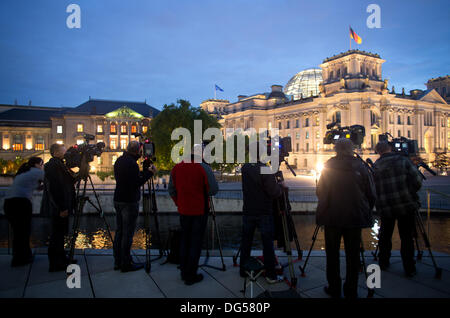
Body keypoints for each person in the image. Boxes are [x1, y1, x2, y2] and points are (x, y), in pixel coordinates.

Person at [316, 138, 376, 298]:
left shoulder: (328, 165)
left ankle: (334, 288)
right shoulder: (361, 166)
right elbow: (371, 193)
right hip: (355, 217)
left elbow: (320, 191)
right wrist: (365, 209)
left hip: (331, 217)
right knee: (353, 255)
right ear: (352, 148)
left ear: (335, 149)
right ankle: (351, 290)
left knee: (332, 254)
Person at [168, 145, 218, 286]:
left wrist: (179, 203)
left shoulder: (176, 168)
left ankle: (184, 271)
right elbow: (214, 190)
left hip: (184, 210)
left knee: (185, 240)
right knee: (195, 242)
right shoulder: (203, 167)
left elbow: (171, 190)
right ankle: (191, 275)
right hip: (199, 210)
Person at [373, 141, 422, 277]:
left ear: (378, 151)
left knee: (384, 235)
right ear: (390, 148)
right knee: (407, 237)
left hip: (386, 207)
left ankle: (383, 262)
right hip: (405, 204)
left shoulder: (375, 166)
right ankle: (409, 267)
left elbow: (373, 189)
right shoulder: (403, 160)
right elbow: (417, 181)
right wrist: (409, 192)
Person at [239, 143, 285, 284]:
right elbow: (274, 192)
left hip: (248, 210)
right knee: (267, 244)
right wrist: (281, 187)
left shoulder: (245, 168)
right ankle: (271, 275)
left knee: (246, 242)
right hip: (264, 212)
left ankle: (243, 270)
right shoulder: (264, 169)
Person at [113, 140, 156, 272]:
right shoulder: (132, 163)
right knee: (128, 234)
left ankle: (118, 261)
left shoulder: (119, 160)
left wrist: (143, 171)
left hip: (118, 199)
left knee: (119, 232)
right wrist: (149, 173)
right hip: (129, 201)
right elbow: (136, 182)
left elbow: (126, 179)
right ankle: (126, 263)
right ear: (138, 151)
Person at [41, 144, 77, 272]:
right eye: (63, 149)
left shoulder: (59, 164)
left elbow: (69, 181)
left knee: (60, 234)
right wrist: (62, 207)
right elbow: (55, 188)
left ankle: (62, 258)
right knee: (56, 235)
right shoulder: (53, 165)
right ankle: (56, 263)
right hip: (58, 207)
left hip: (61, 205)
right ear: (56, 152)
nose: (65, 151)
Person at [4, 157, 44, 267]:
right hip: (20, 203)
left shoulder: (24, 172)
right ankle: (22, 258)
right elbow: (52, 179)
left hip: (9, 203)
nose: (42, 166)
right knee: (24, 231)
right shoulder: (36, 172)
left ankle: (19, 257)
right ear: (36, 164)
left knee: (18, 232)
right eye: (41, 164)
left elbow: (30, 185)